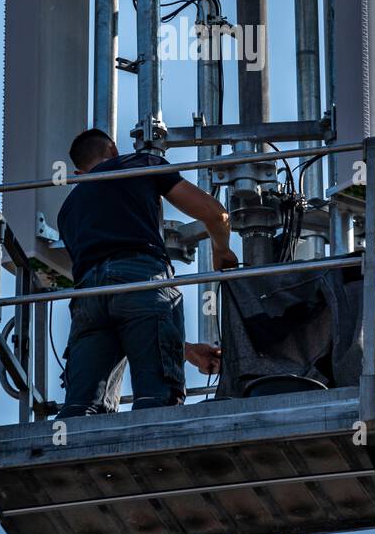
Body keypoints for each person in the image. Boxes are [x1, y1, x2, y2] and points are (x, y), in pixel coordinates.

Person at [54, 129, 237, 418]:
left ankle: (66, 456)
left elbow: (119, 311)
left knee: (82, 408)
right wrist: (221, 251)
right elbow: (216, 214)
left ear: (78, 172)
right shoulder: (141, 164)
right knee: (157, 401)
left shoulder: (67, 211)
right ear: (114, 150)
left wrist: (185, 349)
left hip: (88, 299)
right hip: (141, 278)